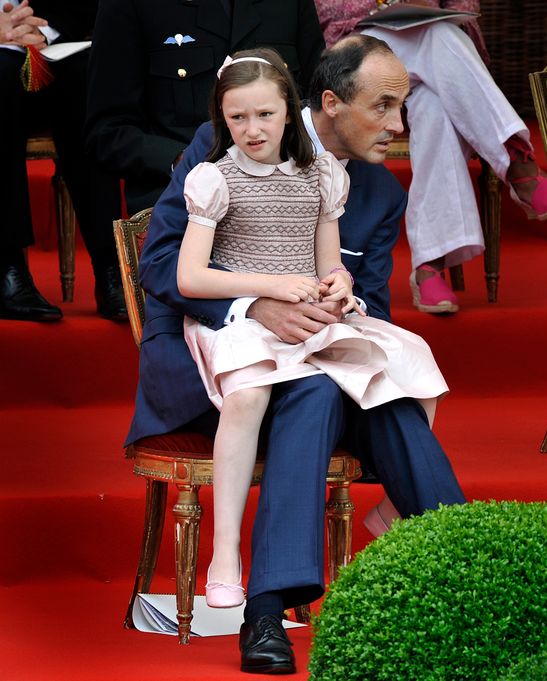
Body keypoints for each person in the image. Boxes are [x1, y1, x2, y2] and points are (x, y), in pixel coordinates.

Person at [126, 37, 465, 673]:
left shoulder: (378, 193)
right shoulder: (230, 140)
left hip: (316, 358)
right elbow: (163, 264)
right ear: (332, 104)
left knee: (369, 391)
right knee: (319, 391)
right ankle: (466, 569)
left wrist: (342, 302)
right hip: (220, 365)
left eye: (403, 106)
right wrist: (255, 305)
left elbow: (372, 305)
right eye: (384, 107)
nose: (399, 126)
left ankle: (272, 609)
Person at [313, 0, 547, 314]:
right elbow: (324, 12)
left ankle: (430, 263)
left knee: (435, 102)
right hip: (357, 50)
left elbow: (466, 9)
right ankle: (515, 159)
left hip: (431, 48)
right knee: (436, 35)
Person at [84, 0, 324, 215]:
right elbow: (108, 131)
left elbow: (317, 105)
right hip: (181, 198)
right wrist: (184, 161)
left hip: (287, 192)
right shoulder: (132, 5)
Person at [1, 0, 125, 321]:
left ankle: (111, 267)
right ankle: (7, 268)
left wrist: (42, 30)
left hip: (45, 47)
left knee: (86, 78)